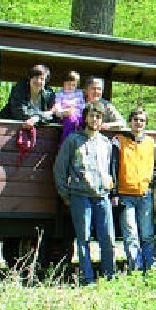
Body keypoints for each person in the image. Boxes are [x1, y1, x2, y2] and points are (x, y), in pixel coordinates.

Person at [53, 101, 115, 284]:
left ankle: (109, 276)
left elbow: (110, 169)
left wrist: (110, 190)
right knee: (84, 239)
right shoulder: (73, 140)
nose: (95, 119)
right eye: (92, 115)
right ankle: (87, 278)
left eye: (98, 116)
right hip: (80, 196)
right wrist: (65, 195)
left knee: (108, 238)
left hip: (102, 196)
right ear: (85, 117)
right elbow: (59, 169)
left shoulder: (106, 143)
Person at [111, 107, 156, 273]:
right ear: (130, 121)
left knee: (147, 234)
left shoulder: (150, 143)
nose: (139, 123)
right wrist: (114, 192)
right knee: (131, 233)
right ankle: (136, 269)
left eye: (142, 120)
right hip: (125, 195)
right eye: (136, 119)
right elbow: (113, 167)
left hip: (144, 194)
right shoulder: (119, 141)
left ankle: (150, 268)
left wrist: (149, 185)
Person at [52, 70, 86, 144]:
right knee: (70, 120)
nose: (71, 87)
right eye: (68, 84)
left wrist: (75, 110)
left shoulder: (78, 93)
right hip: (64, 115)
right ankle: (66, 142)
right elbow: (57, 105)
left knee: (81, 122)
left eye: (73, 85)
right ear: (64, 84)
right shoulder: (60, 93)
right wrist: (62, 111)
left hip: (77, 116)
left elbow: (82, 105)